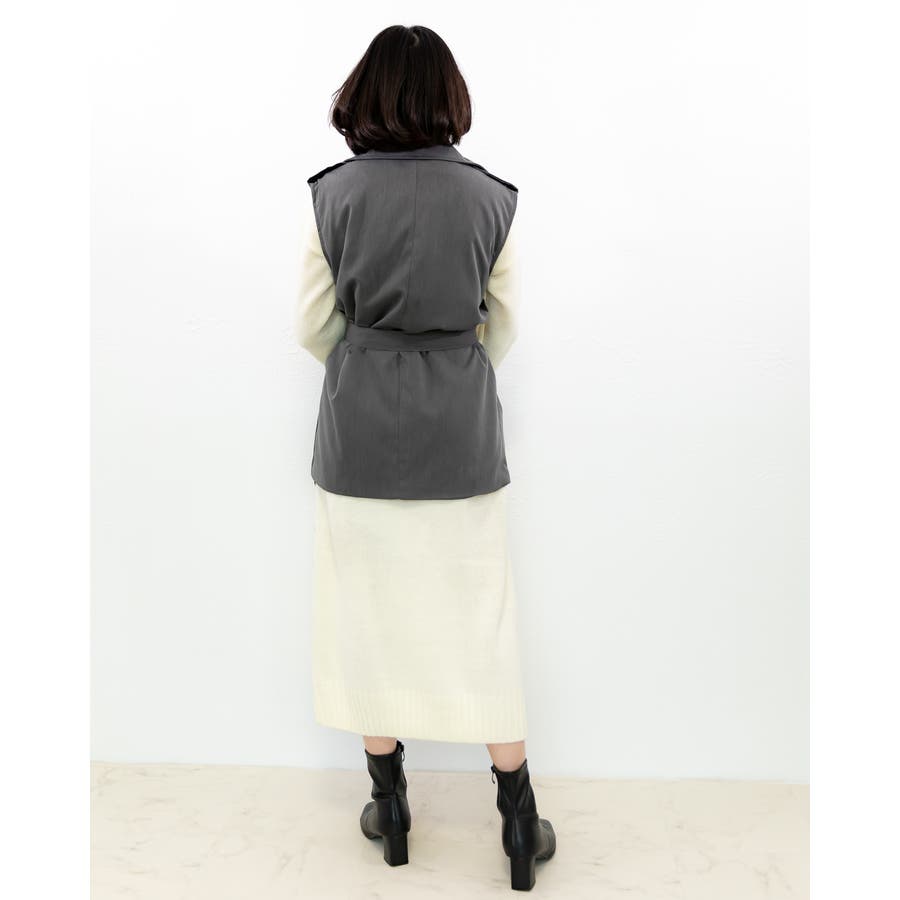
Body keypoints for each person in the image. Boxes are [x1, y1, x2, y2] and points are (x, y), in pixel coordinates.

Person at [295, 24, 556, 891]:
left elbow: (311, 326)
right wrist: (451, 367)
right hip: (461, 436)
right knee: (484, 621)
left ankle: (391, 806)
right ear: (449, 96)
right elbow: (503, 327)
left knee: (364, 617)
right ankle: (516, 819)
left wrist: (366, 363)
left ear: (363, 94)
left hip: (359, 436)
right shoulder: (491, 198)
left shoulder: (331, 196)